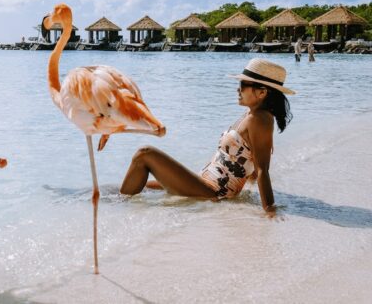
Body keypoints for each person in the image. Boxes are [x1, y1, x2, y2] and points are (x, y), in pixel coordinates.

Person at [119, 58, 295, 217]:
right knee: (133, 186)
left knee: (144, 154)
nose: (237, 89)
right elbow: (250, 162)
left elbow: (263, 169)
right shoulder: (252, 115)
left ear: (262, 92)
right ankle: (114, 203)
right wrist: (248, 181)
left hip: (212, 191)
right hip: (203, 181)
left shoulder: (260, 119)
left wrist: (270, 209)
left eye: (242, 84)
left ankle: (119, 210)